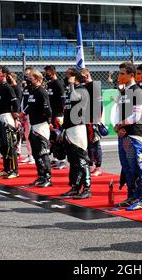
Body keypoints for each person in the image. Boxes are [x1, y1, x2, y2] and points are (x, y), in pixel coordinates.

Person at [114, 62, 142, 211]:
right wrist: (118, 127)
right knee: (127, 168)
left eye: (122, 73)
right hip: (123, 135)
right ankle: (131, 196)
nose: (119, 76)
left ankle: (141, 199)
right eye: (119, 73)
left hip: (135, 135)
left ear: (131, 75)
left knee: (137, 168)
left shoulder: (137, 91)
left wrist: (121, 124)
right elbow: (118, 112)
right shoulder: (124, 92)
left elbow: (136, 115)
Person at [59, 67, 91, 199]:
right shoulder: (69, 90)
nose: (66, 78)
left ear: (75, 77)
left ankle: (87, 188)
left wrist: (72, 84)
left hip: (78, 129)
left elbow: (75, 98)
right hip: (69, 129)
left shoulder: (82, 90)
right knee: (73, 160)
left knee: (81, 160)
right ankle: (75, 187)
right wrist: (63, 130)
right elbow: (66, 111)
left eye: (69, 76)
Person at [25, 70, 53, 187]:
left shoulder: (42, 92)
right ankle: (41, 175)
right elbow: (30, 106)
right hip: (33, 125)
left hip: (41, 126)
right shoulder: (33, 91)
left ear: (37, 79)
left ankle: (47, 177)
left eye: (31, 78)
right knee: (36, 153)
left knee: (42, 153)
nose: (29, 80)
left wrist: (49, 121)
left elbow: (48, 110)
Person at [0, 67, 20, 179]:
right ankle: (6, 168)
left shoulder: (8, 87)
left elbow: (15, 102)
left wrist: (16, 118)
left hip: (7, 118)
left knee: (10, 146)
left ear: (4, 75)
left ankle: (15, 170)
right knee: (3, 146)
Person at [81, 68, 104, 177]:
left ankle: (98, 167)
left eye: (82, 77)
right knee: (87, 144)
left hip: (93, 119)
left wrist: (98, 119)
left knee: (95, 143)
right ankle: (90, 165)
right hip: (84, 118)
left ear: (86, 75)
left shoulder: (95, 86)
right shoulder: (83, 86)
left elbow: (100, 104)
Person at [44, 65, 67, 170]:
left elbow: (63, 102)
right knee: (52, 138)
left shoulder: (58, 84)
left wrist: (62, 115)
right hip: (51, 115)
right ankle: (56, 158)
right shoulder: (49, 84)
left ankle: (62, 160)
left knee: (59, 138)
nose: (46, 74)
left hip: (58, 115)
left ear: (53, 72)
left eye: (47, 72)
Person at [20, 67, 36, 165]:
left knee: (30, 136)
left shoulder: (33, 88)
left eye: (28, 75)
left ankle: (33, 156)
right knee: (26, 136)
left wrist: (25, 113)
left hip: (30, 114)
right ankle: (29, 155)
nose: (26, 76)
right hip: (24, 115)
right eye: (25, 74)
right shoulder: (26, 87)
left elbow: (30, 103)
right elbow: (23, 101)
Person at [9, 72, 23, 160]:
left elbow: (18, 101)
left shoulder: (17, 88)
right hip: (9, 112)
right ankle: (12, 149)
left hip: (15, 112)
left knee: (17, 131)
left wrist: (16, 113)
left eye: (9, 77)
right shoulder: (9, 87)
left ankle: (18, 150)